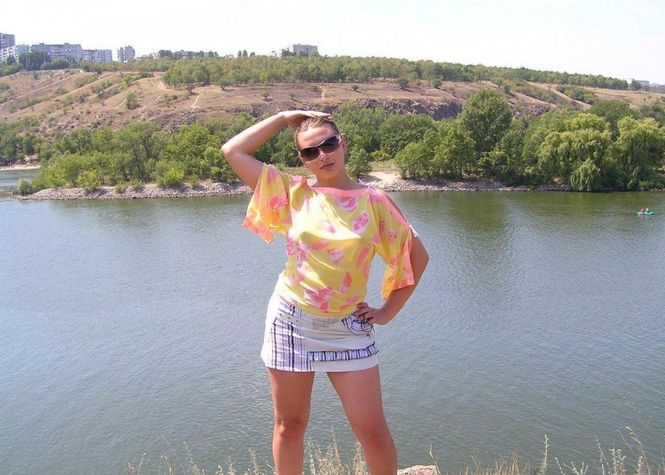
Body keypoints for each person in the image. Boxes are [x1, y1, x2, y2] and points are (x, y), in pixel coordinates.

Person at [221, 110, 429, 475]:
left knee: (373, 431)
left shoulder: (374, 201)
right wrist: (283, 118)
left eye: (329, 144)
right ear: (302, 159)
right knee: (290, 425)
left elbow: (417, 257)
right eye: (310, 152)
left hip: (347, 327)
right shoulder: (294, 193)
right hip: (291, 322)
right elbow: (232, 151)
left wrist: (386, 312)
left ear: (343, 144)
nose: (323, 156)